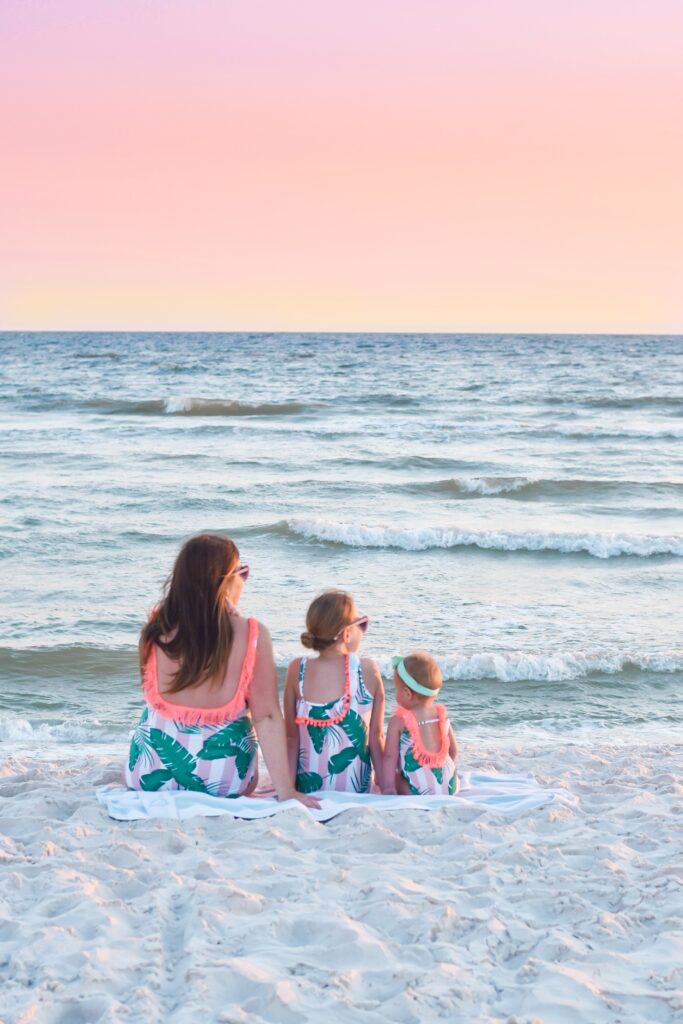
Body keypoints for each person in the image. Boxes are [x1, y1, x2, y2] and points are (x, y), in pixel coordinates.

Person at [126, 533, 319, 807]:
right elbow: (266, 716)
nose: (244, 581)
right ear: (226, 580)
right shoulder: (252, 633)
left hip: (148, 774)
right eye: (243, 572)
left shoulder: (158, 623)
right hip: (225, 780)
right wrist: (286, 791)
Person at [283, 590, 385, 793]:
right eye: (361, 624)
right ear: (347, 634)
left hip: (306, 791)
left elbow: (291, 738)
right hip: (356, 791)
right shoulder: (367, 670)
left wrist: (288, 790)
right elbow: (376, 737)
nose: (363, 631)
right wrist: (386, 785)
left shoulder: (297, 670)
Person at [382, 651, 458, 796]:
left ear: (407, 693)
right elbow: (453, 750)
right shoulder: (442, 716)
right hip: (449, 788)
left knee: (396, 777)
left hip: (417, 792)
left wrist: (388, 787)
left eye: (396, 690)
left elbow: (389, 757)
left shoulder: (398, 721)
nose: (395, 694)